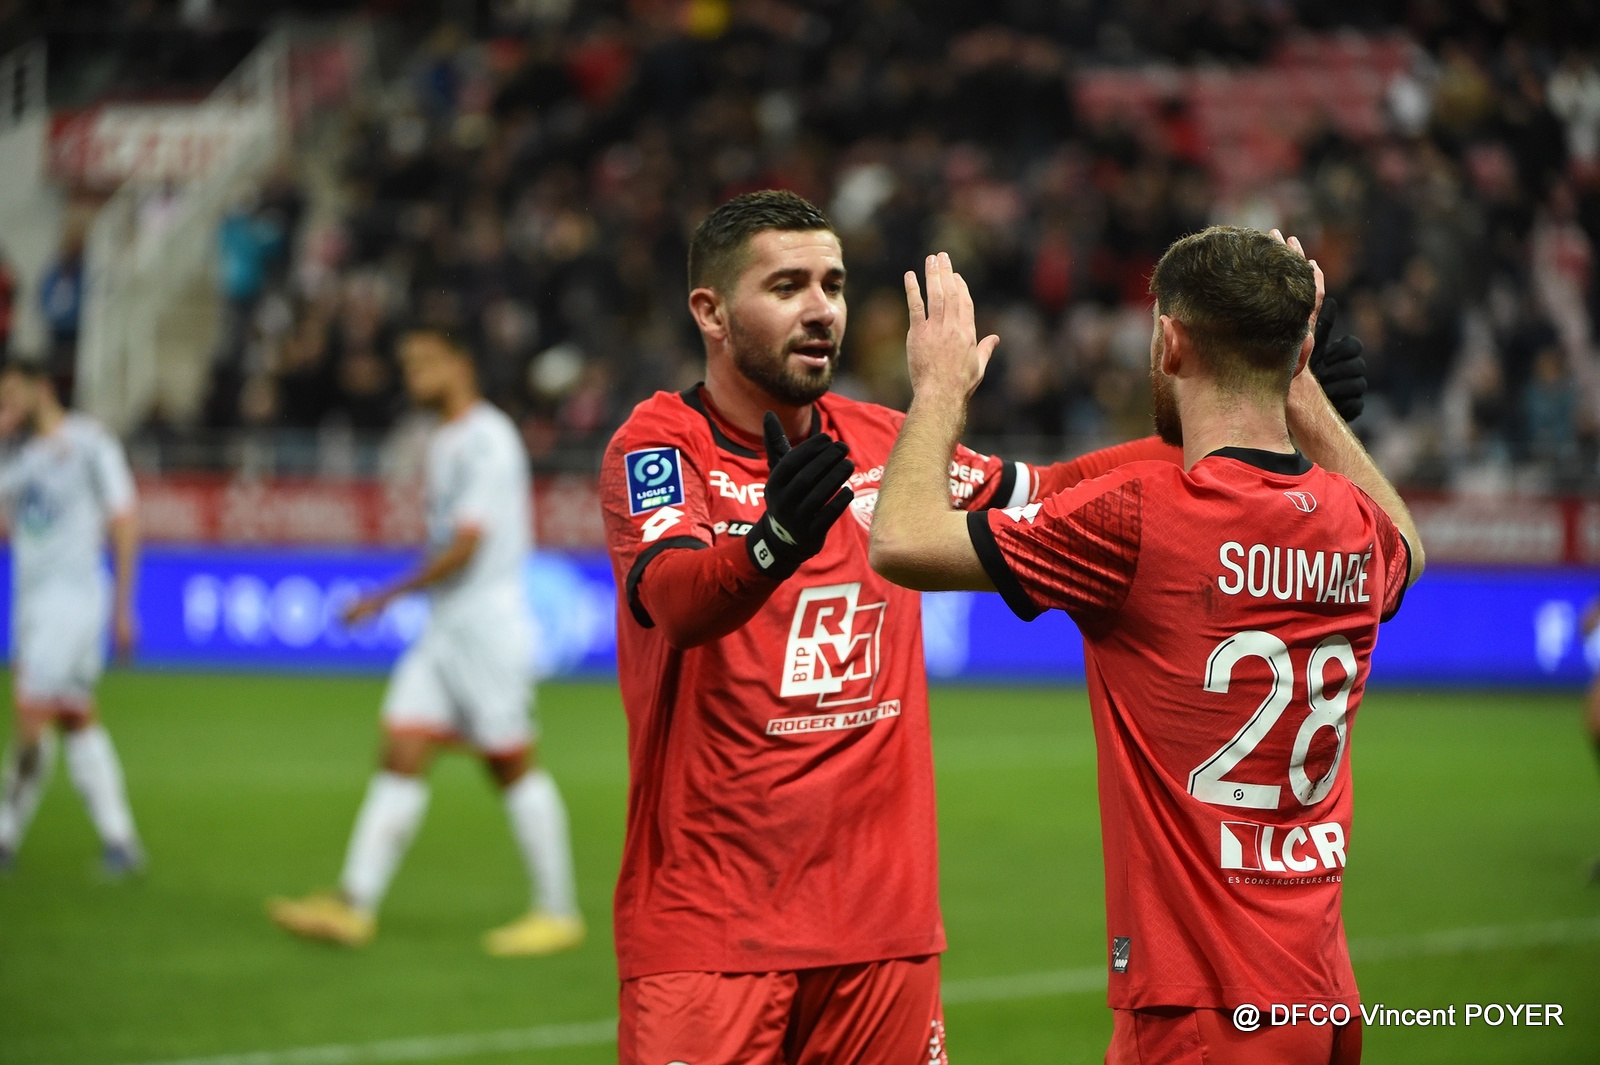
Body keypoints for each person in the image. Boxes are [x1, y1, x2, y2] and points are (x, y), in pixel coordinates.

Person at [598, 191, 1366, 1064]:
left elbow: (1061, 489)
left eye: (833, 285)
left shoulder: (888, 446)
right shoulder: (661, 445)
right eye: (786, 287)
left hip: (883, 933)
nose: (820, 310)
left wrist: (1263, 404)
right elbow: (676, 602)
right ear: (710, 311)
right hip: (708, 931)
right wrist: (770, 544)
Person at [869, 230, 1422, 1065]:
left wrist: (939, 388)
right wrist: (1305, 399)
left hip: (1202, 1007)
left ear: (1169, 341)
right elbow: (1409, 545)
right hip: (1323, 993)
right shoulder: (1355, 523)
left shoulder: (1139, 517)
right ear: (1301, 351)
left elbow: (900, 538)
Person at [268, 326, 582, 955]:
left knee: (510, 763)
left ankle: (558, 911)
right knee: (402, 749)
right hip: (447, 627)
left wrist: (384, 597)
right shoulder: (442, 439)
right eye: (407, 363)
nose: (412, 375)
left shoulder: (487, 438)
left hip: (486, 627)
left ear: (461, 364)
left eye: (425, 362)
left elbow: (465, 545)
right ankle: (354, 903)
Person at [0, 358, 143, 875]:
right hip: (30, 601)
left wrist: (124, 607)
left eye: (12, 394)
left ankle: (4, 835)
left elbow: (125, 521)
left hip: (73, 600)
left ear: (42, 388)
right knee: (75, 716)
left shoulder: (90, 443)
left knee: (31, 716)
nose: (6, 405)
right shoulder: (15, 456)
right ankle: (121, 841)